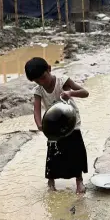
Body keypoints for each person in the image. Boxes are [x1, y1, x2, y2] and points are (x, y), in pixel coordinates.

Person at [25, 57, 89, 194]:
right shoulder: (39, 90)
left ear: (49, 69)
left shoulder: (63, 81)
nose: (42, 82)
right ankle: (51, 182)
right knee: (53, 154)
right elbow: (36, 109)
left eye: (43, 78)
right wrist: (39, 124)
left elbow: (85, 93)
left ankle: (79, 181)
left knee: (75, 152)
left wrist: (70, 93)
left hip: (71, 122)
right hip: (53, 125)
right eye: (37, 81)